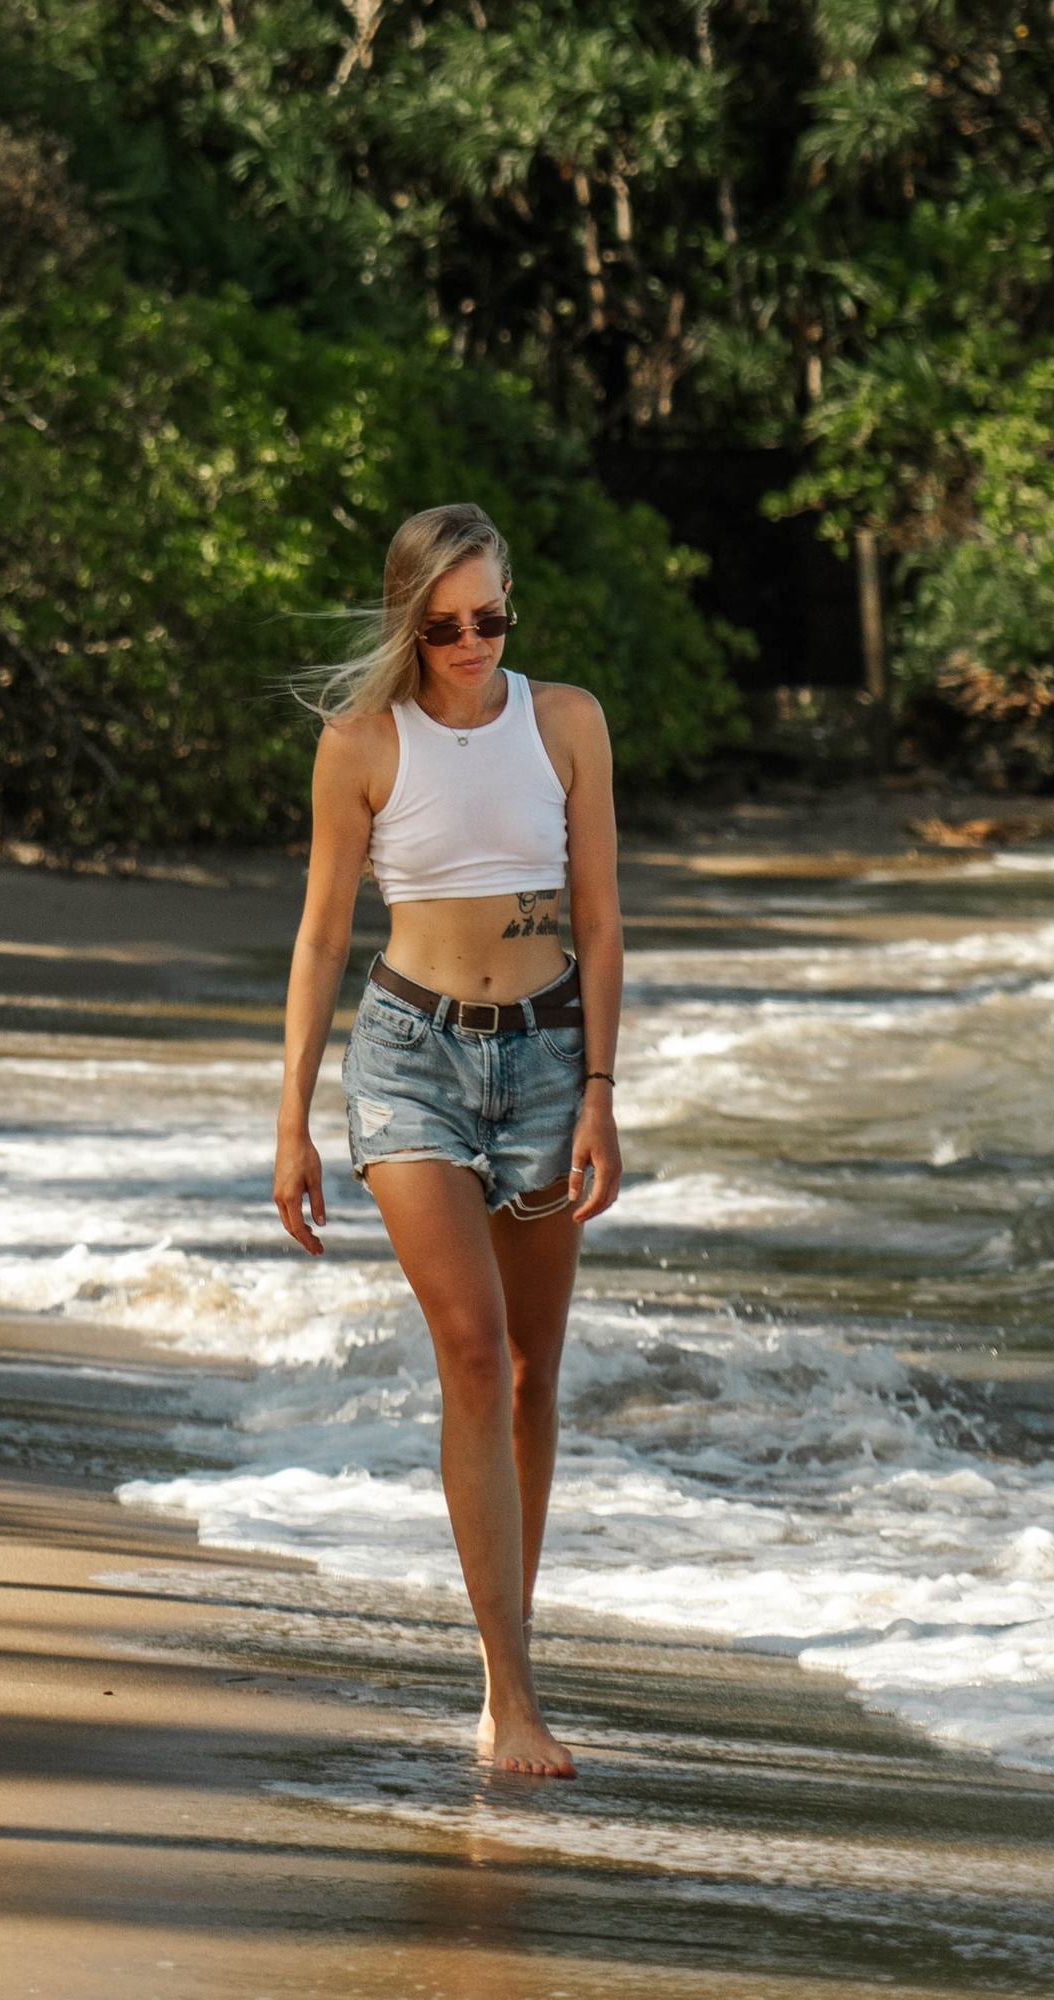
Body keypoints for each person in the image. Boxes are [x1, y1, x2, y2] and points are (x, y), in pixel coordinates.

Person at [273, 500, 622, 1777]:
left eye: (492, 618)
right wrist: (291, 1122)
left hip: (546, 1061)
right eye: (445, 626)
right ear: (406, 623)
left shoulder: (566, 722)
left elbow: (600, 919)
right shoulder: (360, 742)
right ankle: (514, 1699)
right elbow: (321, 932)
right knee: (472, 1352)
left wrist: (599, 1092)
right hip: (409, 1060)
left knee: (531, 1371)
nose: (473, 643)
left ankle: (499, 1658)